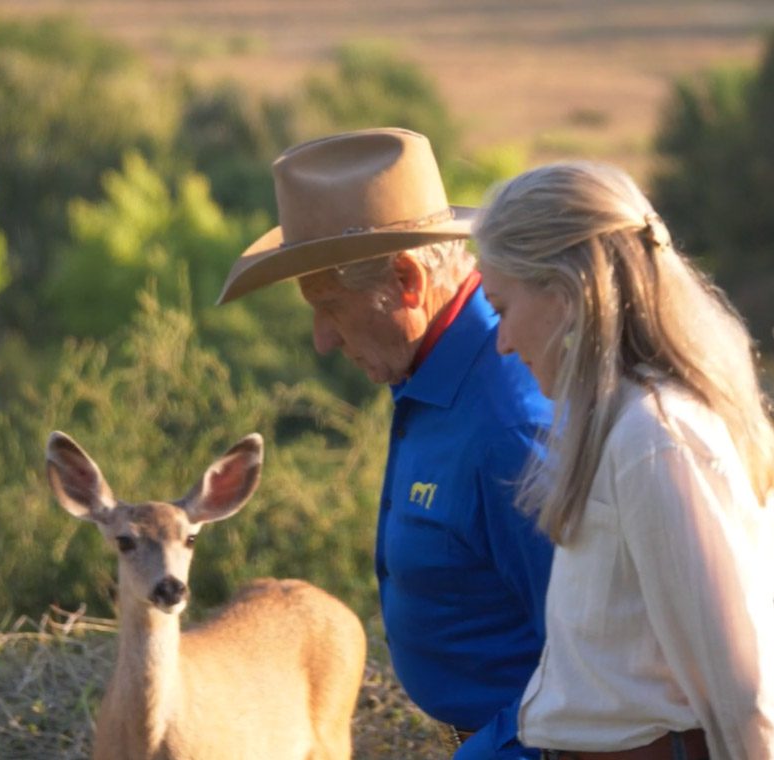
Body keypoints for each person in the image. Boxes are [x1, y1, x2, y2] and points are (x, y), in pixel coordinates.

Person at [216, 127, 554, 759]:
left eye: (330, 305)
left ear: (405, 279)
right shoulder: (428, 372)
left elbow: (591, 663)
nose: (321, 338)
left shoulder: (508, 423)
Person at [473, 161, 774, 759]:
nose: (501, 342)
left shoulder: (654, 438)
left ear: (566, 290)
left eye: (502, 309)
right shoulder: (620, 423)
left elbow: (744, 683)